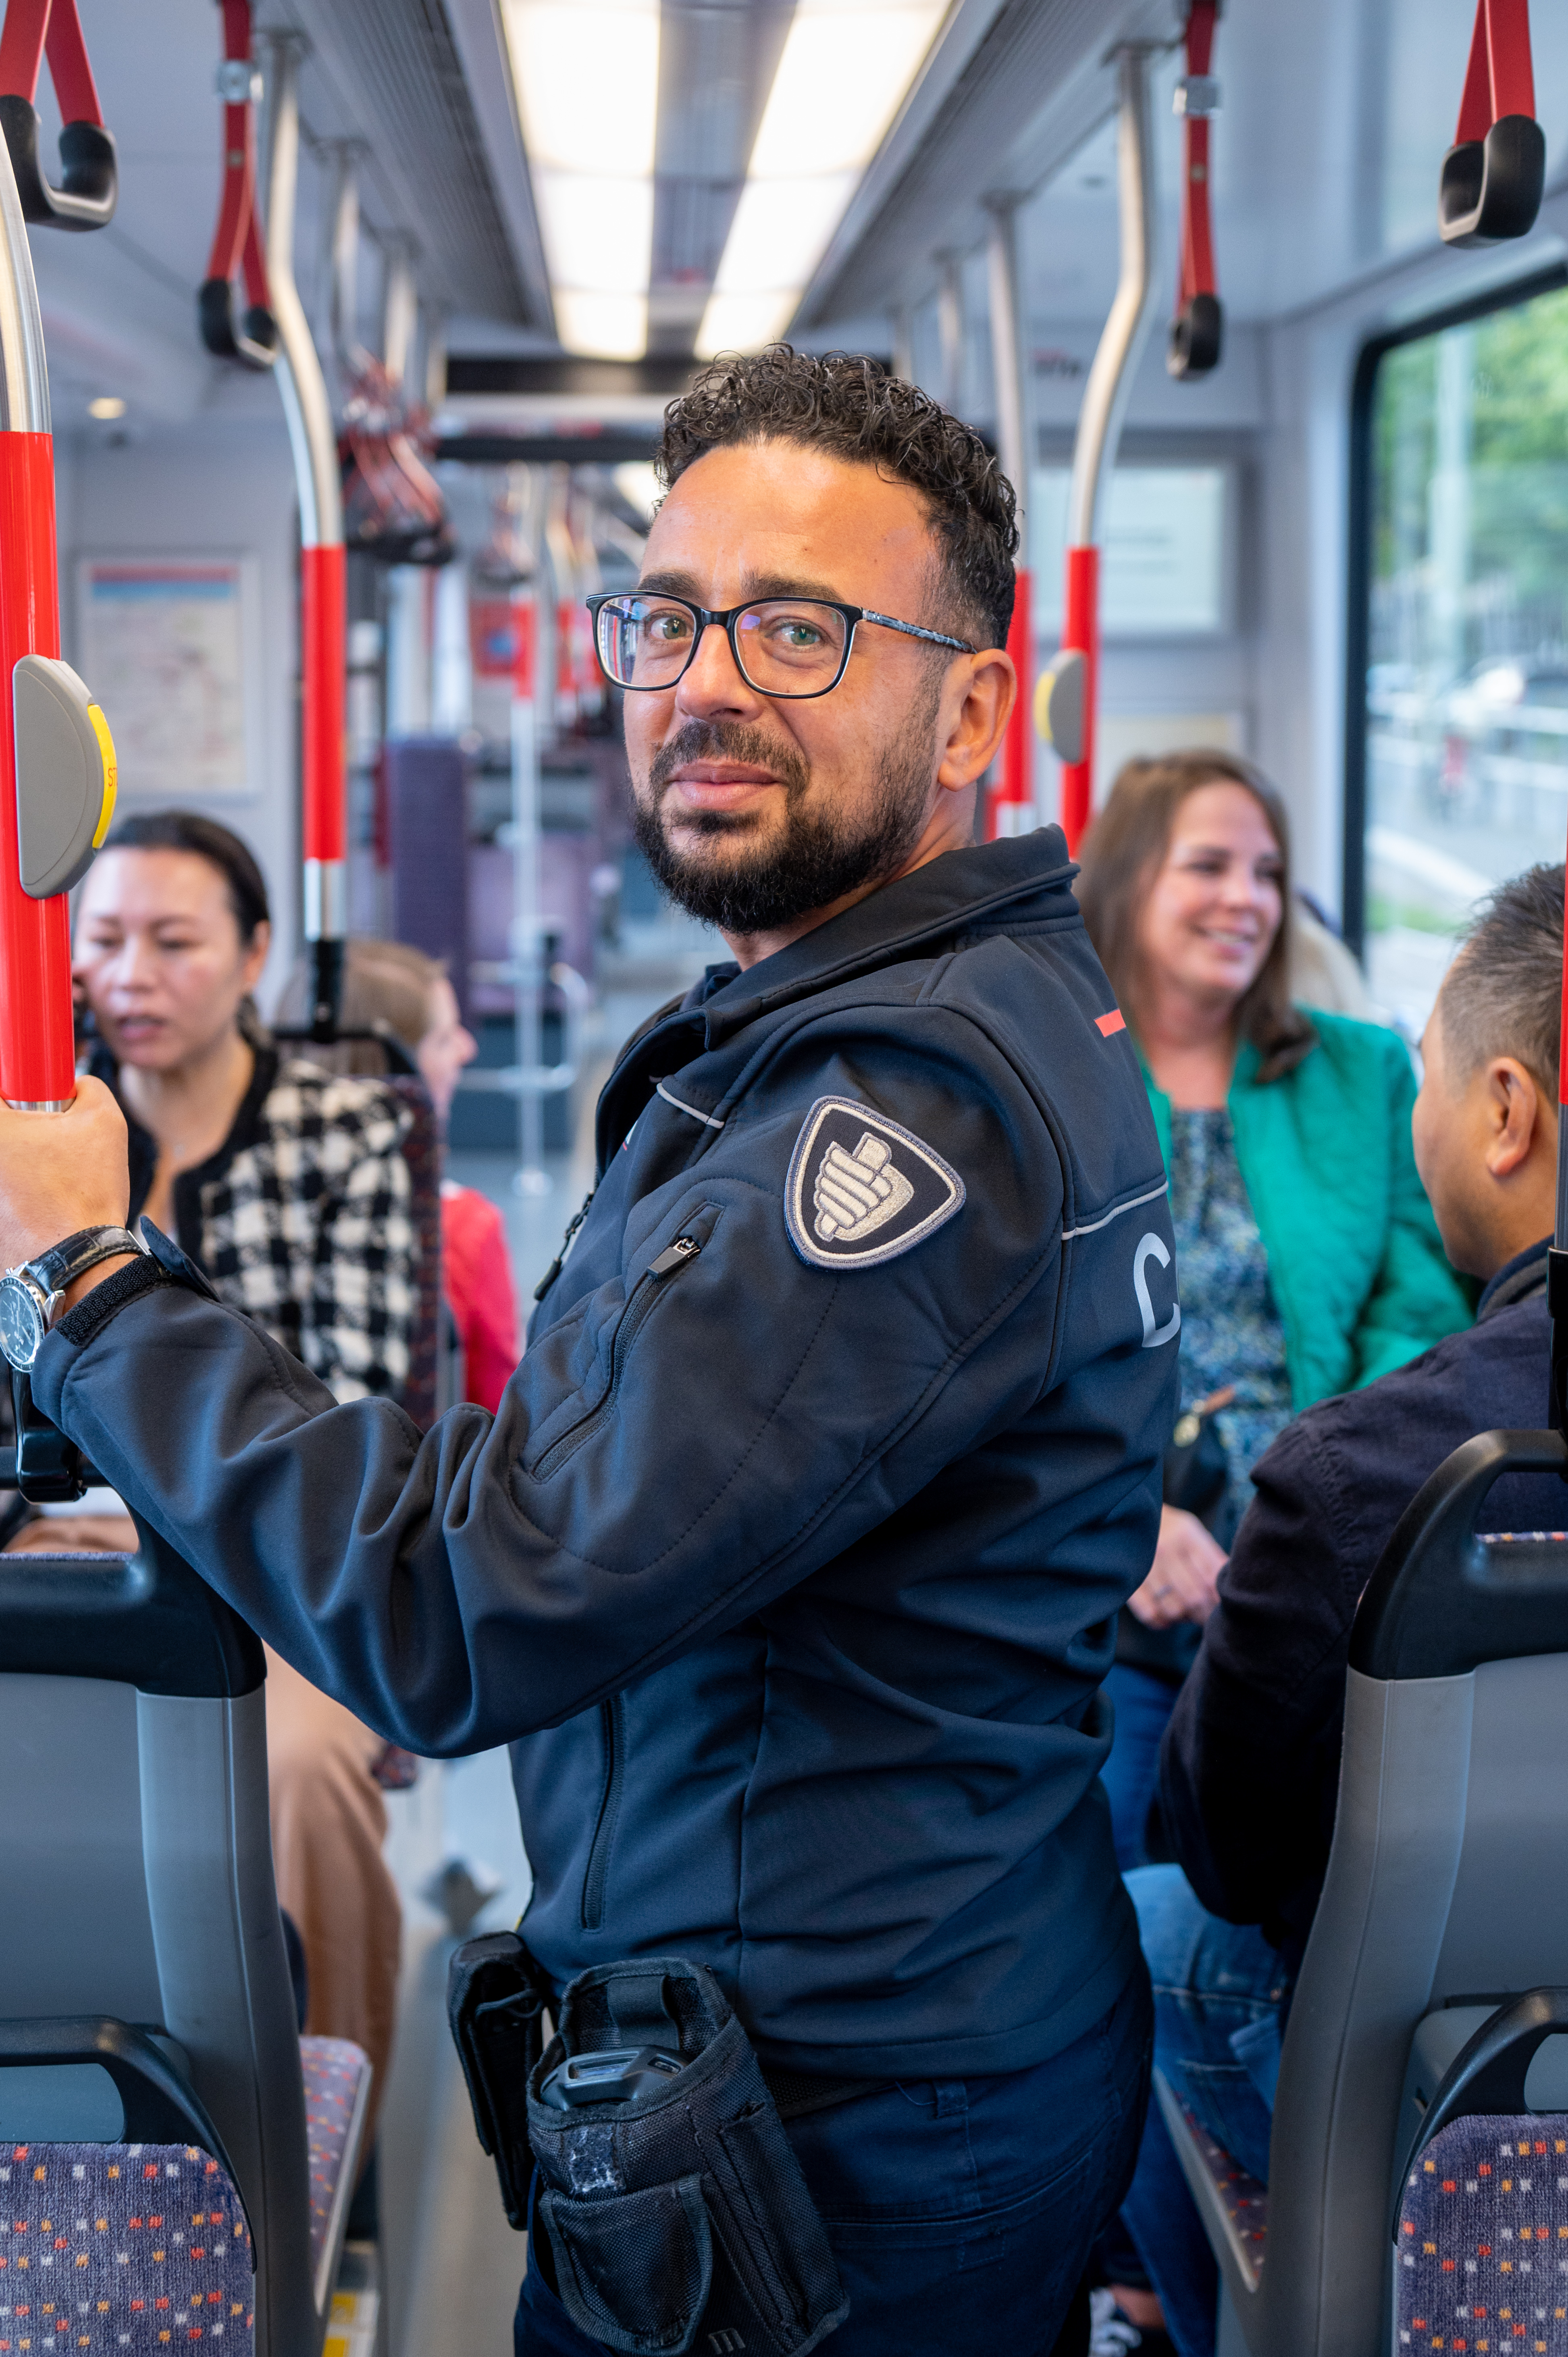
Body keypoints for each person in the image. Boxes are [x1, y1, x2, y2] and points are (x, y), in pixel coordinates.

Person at [0, 348, 1178, 2357]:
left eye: (799, 628)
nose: (704, 681)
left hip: (836, 2123)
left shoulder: (904, 1115)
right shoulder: (884, 1026)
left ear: (974, 708)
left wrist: (91, 1285)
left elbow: (471, 1602)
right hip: (876, 2028)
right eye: (668, 616)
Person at [1114, 865, 1568, 2357]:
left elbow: (1223, 1844)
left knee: (1129, 1922)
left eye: (1428, 1072)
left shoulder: (1362, 1474)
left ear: (1504, 1112)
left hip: (1454, 2085)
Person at [57, 809, 413, 2147]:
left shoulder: (344, 1133)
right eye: (104, 941)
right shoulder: (35, 1135)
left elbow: (356, 1396)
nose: (131, 976)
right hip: (54, 1548)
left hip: (272, 1554)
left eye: (173, 940)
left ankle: (314, 2144)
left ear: (256, 952)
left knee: (306, 1771)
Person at [1075, 753, 1469, 1873]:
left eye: (1267, 872)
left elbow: (1419, 1314)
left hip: (1317, 1560)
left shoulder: (1363, 1073)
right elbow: (1012, 1345)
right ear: (1129, 877)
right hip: (1112, 1564)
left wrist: (1330, 1498)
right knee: (1111, 1874)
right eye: (1208, 865)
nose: (1246, 898)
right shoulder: (1053, 1078)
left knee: (1324, 1887)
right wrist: (1128, 1517)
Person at [275, 934, 521, 1413]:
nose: (467, 1048)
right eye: (444, 1038)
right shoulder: (463, 1231)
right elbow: (501, 1417)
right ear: (395, 1073)